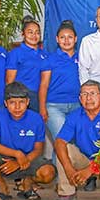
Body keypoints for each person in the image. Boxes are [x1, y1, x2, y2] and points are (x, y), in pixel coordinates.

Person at [0, 82, 56, 200]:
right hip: (5, 158)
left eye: (21, 102)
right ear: (5, 103)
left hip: (28, 159)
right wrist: (17, 154)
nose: (17, 107)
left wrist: (20, 161)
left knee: (48, 173)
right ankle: (2, 188)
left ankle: (28, 183)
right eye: (12, 103)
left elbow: (38, 149)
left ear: (27, 102)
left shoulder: (36, 118)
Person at [53, 80, 100, 200]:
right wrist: (68, 168)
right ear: (79, 98)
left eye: (93, 93)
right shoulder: (74, 116)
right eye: (84, 94)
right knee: (65, 149)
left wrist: (90, 170)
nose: (88, 98)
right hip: (85, 158)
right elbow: (60, 141)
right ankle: (67, 192)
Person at [38, 20, 81, 166]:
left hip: (78, 105)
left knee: (74, 141)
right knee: (62, 140)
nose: (66, 40)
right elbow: (43, 85)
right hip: (54, 106)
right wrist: (42, 107)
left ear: (75, 39)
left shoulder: (81, 57)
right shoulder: (50, 59)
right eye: (62, 37)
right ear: (57, 39)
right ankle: (63, 180)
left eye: (70, 37)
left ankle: (67, 177)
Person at [5, 16, 48, 111]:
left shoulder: (44, 55)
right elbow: (9, 81)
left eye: (37, 32)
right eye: (30, 32)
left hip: (40, 97)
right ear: (23, 34)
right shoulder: (16, 53)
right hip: (21, 96)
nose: (34, 35)